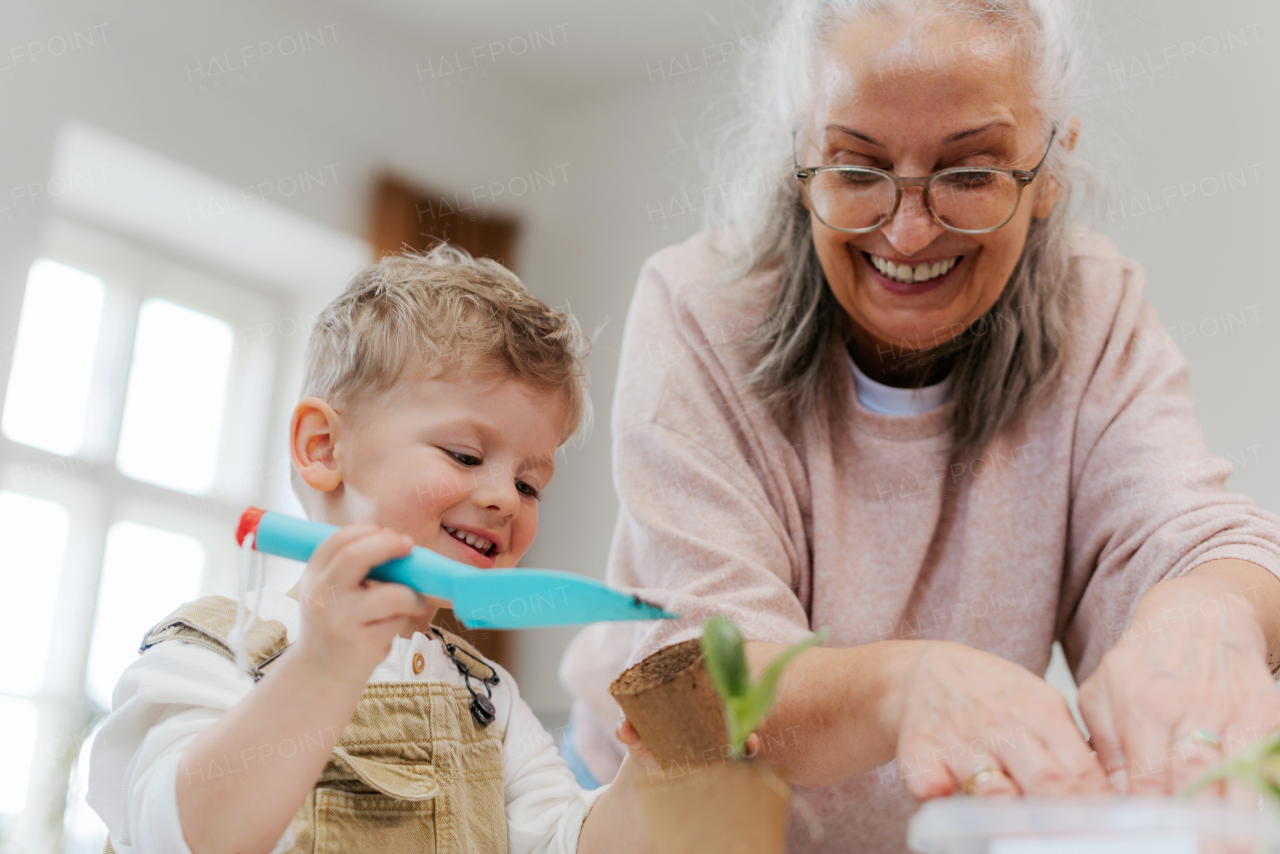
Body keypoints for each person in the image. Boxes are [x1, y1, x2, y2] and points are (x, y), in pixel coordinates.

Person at [558, 0, 1280, 851]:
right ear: (800, 163)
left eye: (970, 172)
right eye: (857, 170)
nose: (906, 232)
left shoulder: (1097, 308)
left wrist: (1206, 617)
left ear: (1049, 171)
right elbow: (713, 687)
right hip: (662, 814)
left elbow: (1190, 531)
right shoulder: (699, 307)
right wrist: (907, 685)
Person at [88, 245, 654, 854]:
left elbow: (561, 846)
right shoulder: (211, 655)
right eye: (465, 455)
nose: (505, 500)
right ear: (324, 447)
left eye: (528, 483)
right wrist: (324, 665)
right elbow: (182, 837)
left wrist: (656, 771)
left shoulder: (488, 699)